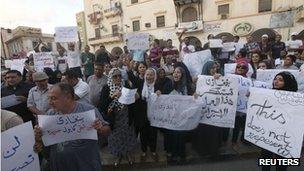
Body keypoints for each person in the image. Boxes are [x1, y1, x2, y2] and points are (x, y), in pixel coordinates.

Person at [33, 83, 110, 171]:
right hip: (60, 165)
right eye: (49, 98)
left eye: (53, 98)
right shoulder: (50, 115)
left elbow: (107, 131)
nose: (50, 102)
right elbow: (45, 146)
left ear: (68, 97)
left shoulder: (88, 110)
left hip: (86, 165)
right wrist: (38, 138)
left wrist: (100, 128)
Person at [98, 68, 137, 166]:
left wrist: (135, 96)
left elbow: (132, 99)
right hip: (114, 118)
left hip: (126, 116)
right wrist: (112, 96)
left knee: (128, 135)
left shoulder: (126, 85)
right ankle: (118, 155)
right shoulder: (106, 88)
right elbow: (102, 105)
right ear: (111, 77)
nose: (118, 78)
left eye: (119, 75)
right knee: (116, 137)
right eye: (115, 76)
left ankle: (128, 153)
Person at [260, 71, 298, 171]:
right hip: (267, 134)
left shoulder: (296, 100)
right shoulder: (268, 94)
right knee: (265, 158)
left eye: (280, 80)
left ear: (288, 83)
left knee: (281, 161)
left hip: (284, 137)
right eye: (275, 79)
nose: (276, 82)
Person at [192, 61, 222, 157]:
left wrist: (220, 78)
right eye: (212, 68)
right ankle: (202, 149)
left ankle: (213, 150)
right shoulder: (199, 79)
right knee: (203, 130)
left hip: (215, 110)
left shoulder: (219, 77)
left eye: (215, 68)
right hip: (203, 110)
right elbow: (194, 92)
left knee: (213, 130)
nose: (214, 70)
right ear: (207, 68)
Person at [166, 67, 195, 164]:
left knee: (181, 135)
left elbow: (192, 98)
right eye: (174, 72)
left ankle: (181, 153)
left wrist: (194, 96)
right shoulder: (168, 85)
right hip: (171, 116)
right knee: (172, 134)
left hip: (183, 115)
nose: (176, 74)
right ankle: (172, 153)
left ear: (182, 75)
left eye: (178, 72)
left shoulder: (187, 86)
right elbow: (163, 97)